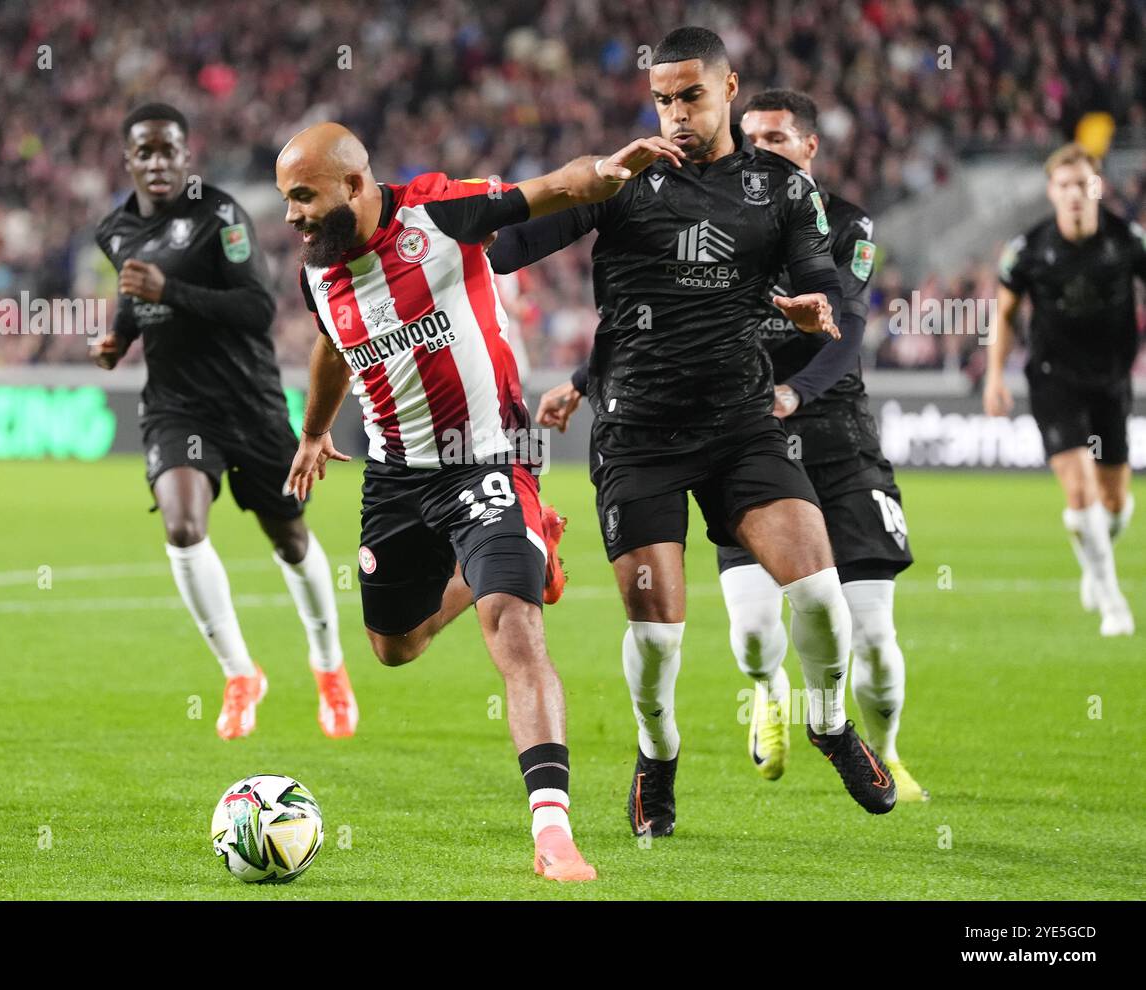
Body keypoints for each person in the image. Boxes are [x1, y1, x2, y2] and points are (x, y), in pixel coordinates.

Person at [490, 27, 898, 837]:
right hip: (638, 431)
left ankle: (827, 723)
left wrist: (811, 303)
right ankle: (657, 753)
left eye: (691, 96)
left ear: (730, 88)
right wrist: (569, 184)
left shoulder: (781, 187)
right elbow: (505, 246)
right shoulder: (623, 178)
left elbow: (818, 272)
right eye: (663, 100)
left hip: (742, 423)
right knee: (659, 640)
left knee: (820, 594)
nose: (676, 114)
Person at [279, 120, 684, 880]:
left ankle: (553, 832)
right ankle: (526, 553)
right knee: (395, 647)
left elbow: (555, 190)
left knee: (516, 630)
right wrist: (311, 432)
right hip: (395, 475)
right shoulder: (318, 272)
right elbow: (332, 345)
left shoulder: (439, 214)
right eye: (286, 200)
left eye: (304, 196)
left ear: (355, 186)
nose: (292, 214)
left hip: (488, 462)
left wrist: (606, 165)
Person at [93, 103, 355, 741]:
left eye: (168, 149)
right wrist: (119, 336)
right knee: (183, 527)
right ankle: (241, 673)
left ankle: (329, 668)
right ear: (128, 159)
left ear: (187, 155)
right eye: (144, 151)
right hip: (176, 406)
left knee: (289, 541)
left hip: (251, 403)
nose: (157, 162)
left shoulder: (219, 215)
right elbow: (136, 294)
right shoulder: (115, 230)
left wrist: (168, 292)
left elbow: (254, 308)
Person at [707, 89, 925, 799]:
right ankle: (769, 695)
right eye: (748, 138)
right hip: (745, 436)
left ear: (809, 147)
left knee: (873, 638)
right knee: (753, 637)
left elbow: (849, 330)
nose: (757, 150)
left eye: (774, 138)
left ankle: (884, 750)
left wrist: (795, 393)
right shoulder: (712, 216)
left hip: (835, 438)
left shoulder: (849, 225)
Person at [985, 143, 1140, 637]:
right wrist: (994, 376)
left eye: (1083, 184)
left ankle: (1095, 559)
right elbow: (1004, 314)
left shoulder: (1127, 240)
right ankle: (1112, 600)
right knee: (1079, 489)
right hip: (1054, 377)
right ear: (1052, 192)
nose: (1075, 193)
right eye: (1065, 185)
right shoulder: (1028, 250)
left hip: (1112, 379)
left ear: (1098, 187)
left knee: (1115, 503)